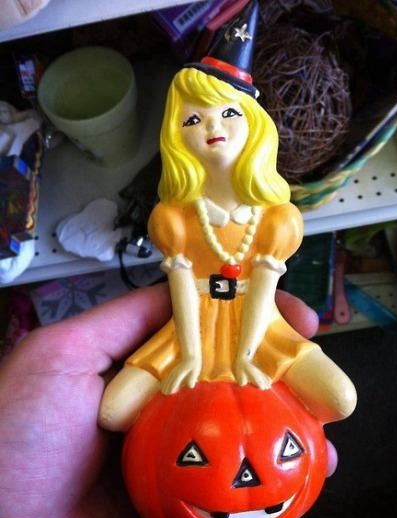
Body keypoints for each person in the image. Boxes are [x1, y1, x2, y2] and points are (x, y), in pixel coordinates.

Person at [0, 284, 337, 518]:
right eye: (194, 458)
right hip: (183, 378)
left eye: (288, 451)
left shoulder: (267, 317)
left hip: (251, 374)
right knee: (115, 410)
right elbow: (114, 413)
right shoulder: (180, 299)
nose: (244, 479)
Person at [99, 66, 356, 433]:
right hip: (189, 330)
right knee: (114, 412)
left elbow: (263, 292)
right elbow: (183, 288)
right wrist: (191, 355)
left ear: (254, 122)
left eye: (229, 112)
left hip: (262, 328)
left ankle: (281, 434)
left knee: (340, 398)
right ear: (176, 137)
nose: (212, 127)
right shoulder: (172, 218)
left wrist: (246, 355)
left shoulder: (277, 218)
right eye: (192, 119)